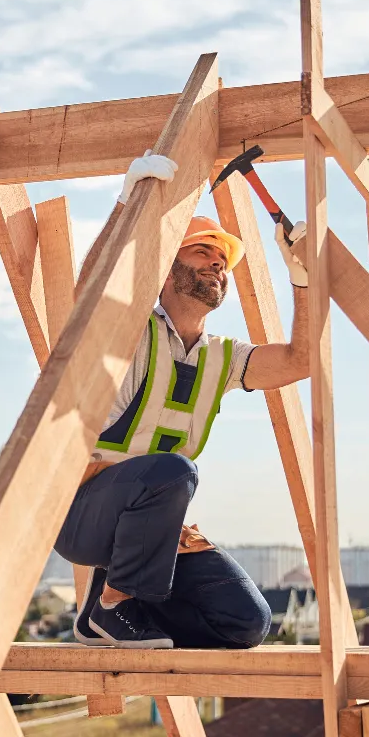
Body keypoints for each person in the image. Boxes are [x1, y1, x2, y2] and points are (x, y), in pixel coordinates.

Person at [54, 152, 310, 649]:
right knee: (174, 471)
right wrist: (127, 204)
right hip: (85, 515)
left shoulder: (222, 357)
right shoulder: (132, 332)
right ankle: (113, 605)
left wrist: (303, 280)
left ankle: (105, 613)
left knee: (246, 623)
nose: (217, 262)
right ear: (168, 271)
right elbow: (90, 293)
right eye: (201, 252)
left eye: (222, 259)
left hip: (149, 534)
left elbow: (301, 361)